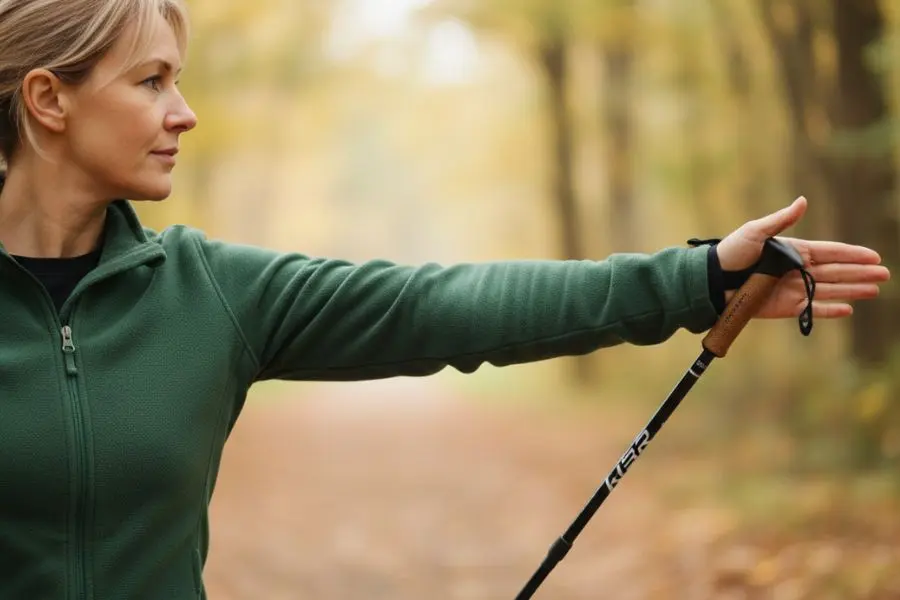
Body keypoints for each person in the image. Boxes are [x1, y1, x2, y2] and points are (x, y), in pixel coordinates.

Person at [0, 0, 890, 598]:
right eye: (152, 81)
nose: (184, 111)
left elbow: (448, 306)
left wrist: (693, 280)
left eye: (180, 81)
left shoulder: (211, 294)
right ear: (49, 100)